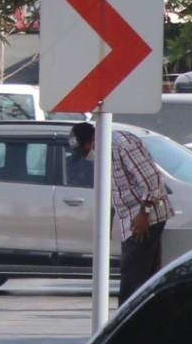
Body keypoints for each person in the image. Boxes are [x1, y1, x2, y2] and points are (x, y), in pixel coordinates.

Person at [69, 121, 174, 300]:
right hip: (130, 219)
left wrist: (144, 214)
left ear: (94, 140)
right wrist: (108, 219)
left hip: (147, 217)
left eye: (86, 151)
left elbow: (153, 181)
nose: (87, 156)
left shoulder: (123, 145)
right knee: (137, 274)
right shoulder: (104, 154)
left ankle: (126, 320)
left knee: (132, 275)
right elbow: (115, 188)